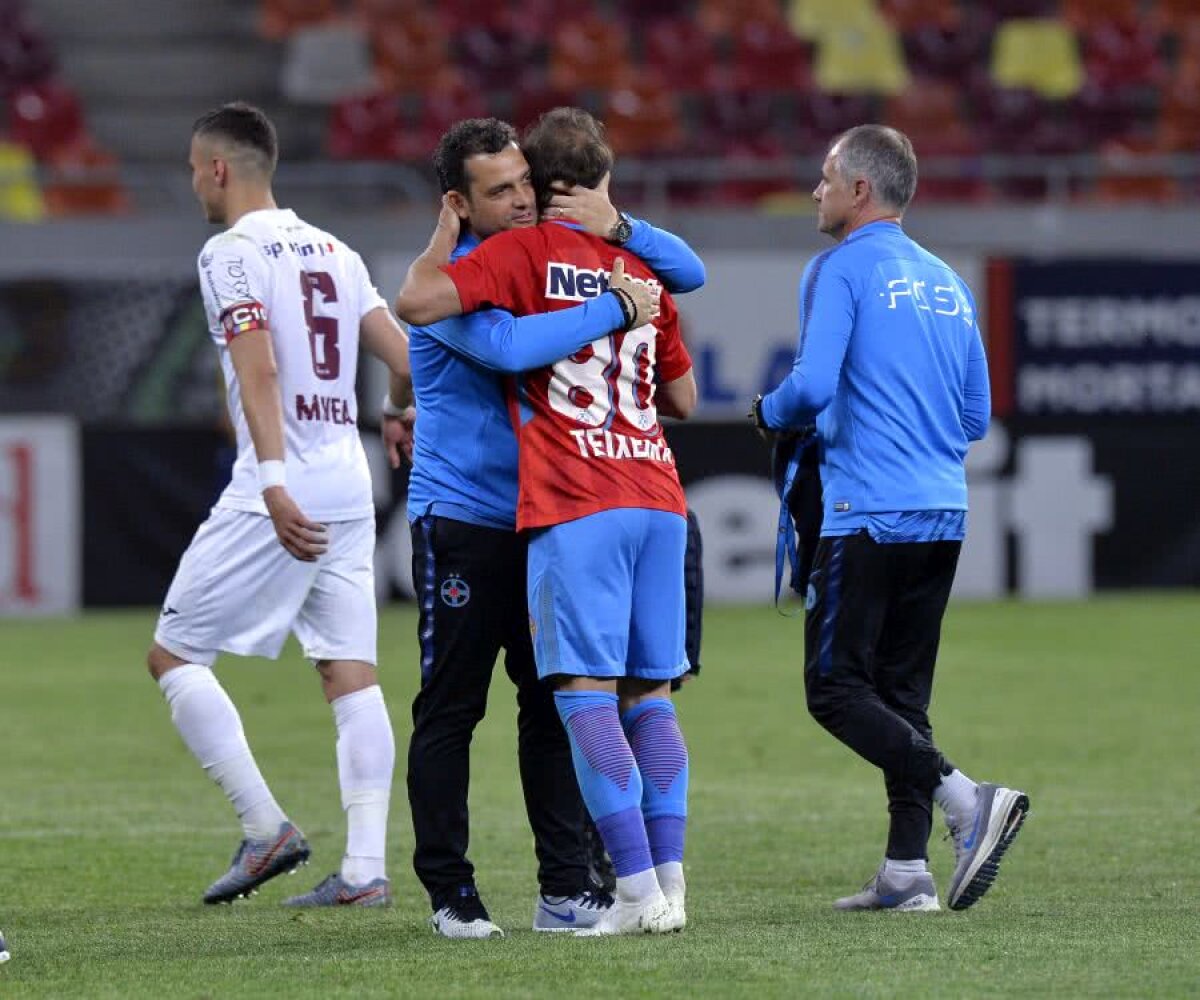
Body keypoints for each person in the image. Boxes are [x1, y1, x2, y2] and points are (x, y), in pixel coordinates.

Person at [383, 116, 703, 938]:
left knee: (554, 706)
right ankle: (452, 892)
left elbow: (683, 269)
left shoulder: (527, 264)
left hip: (549, 518)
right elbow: (512, 348)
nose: (523, 199)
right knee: (452, 710)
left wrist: (619, 237)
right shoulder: (465, 277)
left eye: (526, 181)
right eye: (501, 190)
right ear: (458, 204)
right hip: (464, 521)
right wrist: (616, 305)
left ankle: (568, 886)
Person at [751, 124, 1028, 912]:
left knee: (835, 688)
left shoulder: (838, 269)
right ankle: (908, 871)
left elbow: (808, 389)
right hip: (943, 510)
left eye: (825, 178)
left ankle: (967, 798)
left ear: (860, 191)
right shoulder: (948, 278)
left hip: (867, 510)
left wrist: (766, 413)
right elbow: (975, 414)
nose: (816, 191)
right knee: (901, 694)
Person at [147, 102, 411, 908]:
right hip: (350, 474)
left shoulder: (229, 253)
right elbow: (405, 350)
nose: (195, 182)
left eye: (196, 169)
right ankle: (365, 871)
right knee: (349, 670)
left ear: (219, 169)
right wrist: (398, 408)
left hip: (284, 483)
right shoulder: (336, 250)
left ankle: (266, 830)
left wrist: (268, 476)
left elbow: (256, 370)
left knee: (175, 652)